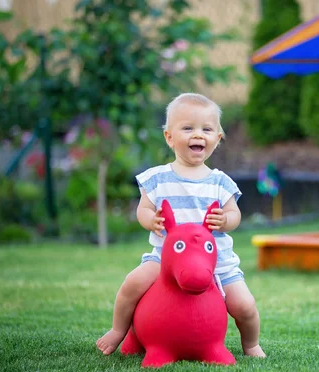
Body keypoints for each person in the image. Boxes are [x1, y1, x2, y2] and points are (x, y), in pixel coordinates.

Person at [96, 93, 265, 358]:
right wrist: (150, 220)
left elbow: (235, 214)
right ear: (169, 137)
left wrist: (226, 220)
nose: (198, 135)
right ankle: (118, 330)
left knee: (245, 305)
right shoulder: (157, 178)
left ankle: (251, 344)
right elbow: (143, 208)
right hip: (165, 259)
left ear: (217, 139)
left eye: (207, 129)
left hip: (217, 261)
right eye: (188, 128)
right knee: (132, 283)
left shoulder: (221, 182)